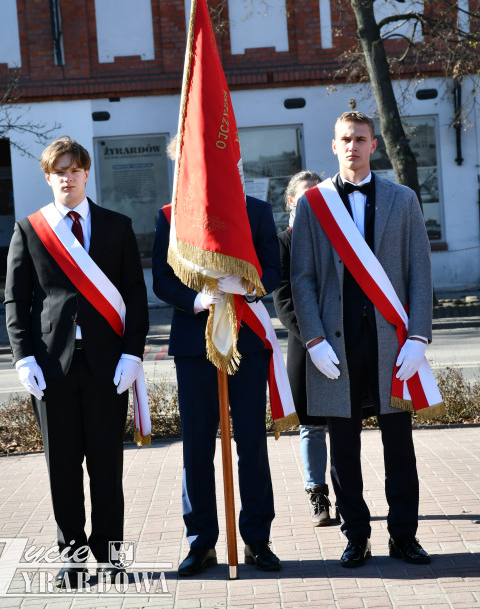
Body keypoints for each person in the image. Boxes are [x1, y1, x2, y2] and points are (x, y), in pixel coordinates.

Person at [4, 136, 149, 588]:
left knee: (107, 466)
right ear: (48, 178)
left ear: (86, 173)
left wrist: (132, 353)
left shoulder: (117, 226)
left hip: (108, 365)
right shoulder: (30, 230)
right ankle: (72, 557)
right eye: (58, 172)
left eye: (74, 170)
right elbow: (16, 301)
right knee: (62, 468)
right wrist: (23, 357)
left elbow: (135, 297)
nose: (67, 178)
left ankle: (111, 557)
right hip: (52, 368)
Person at [291, 111, 432, 568]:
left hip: (392, 343)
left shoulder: (403, 199)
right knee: (343, 450)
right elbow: (302, 278)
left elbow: (419, 271)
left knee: (400, 447)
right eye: (345, 139)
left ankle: (404, 536)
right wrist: (313, 339)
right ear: (334, 146)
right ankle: (356, 536)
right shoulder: (313, 204)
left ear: (374, 145)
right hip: (336, 344)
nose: (353, 146)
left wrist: (418, 335)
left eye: (360, 138)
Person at [152, 195, 282, 576]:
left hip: (247, 341)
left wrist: (248, 284)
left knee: (252, 443)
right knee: (196, 445)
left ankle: (257, 539)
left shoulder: (256, 210)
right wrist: (195, 299)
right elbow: (161, 278)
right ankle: (201, 542)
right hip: (194, 343)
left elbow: (274, 269)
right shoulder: (171, 214)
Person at [273, 170, 337, 526]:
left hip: (341, 342)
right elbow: (283, 301)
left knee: (343, 423)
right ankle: (318, 496)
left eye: (318, 194)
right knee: (311, 426)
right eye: (305, 196)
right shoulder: (284, 242)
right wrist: (314, 339)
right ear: (290, 203)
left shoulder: (338, 237)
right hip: (306, 345)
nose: (312, 201)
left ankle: (347, 495)